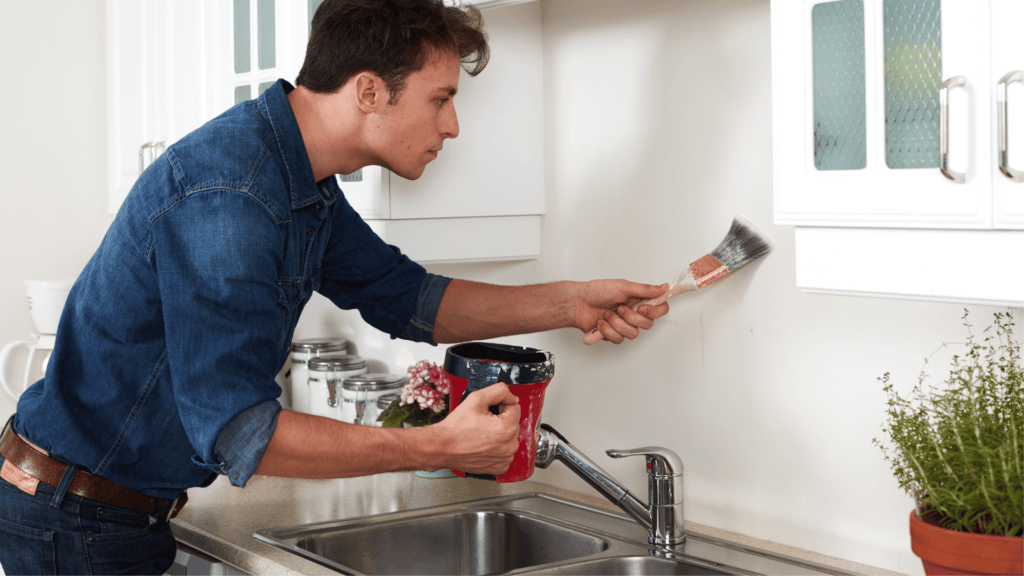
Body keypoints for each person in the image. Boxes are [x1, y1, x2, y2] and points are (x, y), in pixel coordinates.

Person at [0, 0, 669, 573]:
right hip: (76, 519)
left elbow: (408, 298)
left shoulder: (300, 181)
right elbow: (239, 431)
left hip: (104, 510)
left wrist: (570, 302)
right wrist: (433, 444)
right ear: (370, 91)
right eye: (441, 99)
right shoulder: (233, 197)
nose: (452, 126)